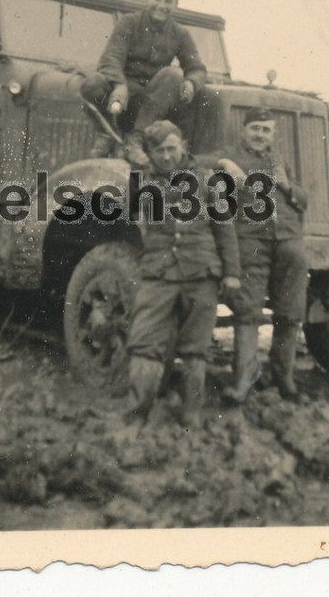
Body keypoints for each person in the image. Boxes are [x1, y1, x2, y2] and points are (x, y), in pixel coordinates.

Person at [123, 120, 241, 430]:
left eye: (171, 148)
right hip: (158, 271)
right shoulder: (144, 182)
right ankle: (137, 413)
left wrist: (232, 273)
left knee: (195, 348)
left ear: (183, 147)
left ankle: (191, 415)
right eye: (158, 150)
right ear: (150, 153)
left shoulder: (207, 180)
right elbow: (133, 212)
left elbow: (224, 229)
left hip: (201, 272)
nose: (166, 156)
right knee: (144, 341)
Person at [216, 107, 311, 403]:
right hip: (252, 242)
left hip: (287, 242)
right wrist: (223, 164)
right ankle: (243, 379)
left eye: (266, 130)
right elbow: (198, 163)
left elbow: (303, 200)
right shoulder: (231, 155)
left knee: (291, 310)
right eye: (255, 128)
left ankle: (283, 377)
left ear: (273, 134)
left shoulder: (279, 161)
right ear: (244, 131)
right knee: (248, 311)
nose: (260, 135)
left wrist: (287, 185)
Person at [80, 0, 207, 165]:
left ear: (176, 5)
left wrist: (191, 82)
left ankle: (136, 140)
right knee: (92, 84)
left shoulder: (180, 33)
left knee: (174, 74)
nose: (161, 5)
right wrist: (119, 85)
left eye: (168, 1)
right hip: (124, 93)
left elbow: (196, 68)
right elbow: (111, 57)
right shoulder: (128, 22)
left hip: (154, 98)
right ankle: (107, 134)